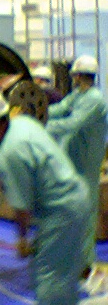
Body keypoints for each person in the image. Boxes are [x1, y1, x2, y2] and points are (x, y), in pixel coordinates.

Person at [0, 87, 90, 305]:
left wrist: (22, 238)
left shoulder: (9, 153)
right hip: (78, 197)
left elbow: (23, 207)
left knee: (49, 280)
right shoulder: (26, 123)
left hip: (62, 212)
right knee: (63, 270)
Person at [46, 55, 108, 278]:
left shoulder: (94, 100)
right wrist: (37, 113)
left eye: (74, 74)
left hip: (86, 165)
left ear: (79, 75)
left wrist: (45, 124)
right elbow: (60, 108)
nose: (72, 78)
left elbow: (73, 123)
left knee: (85, 211)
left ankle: (84, 264)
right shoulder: (78, 95)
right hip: (73, 162)